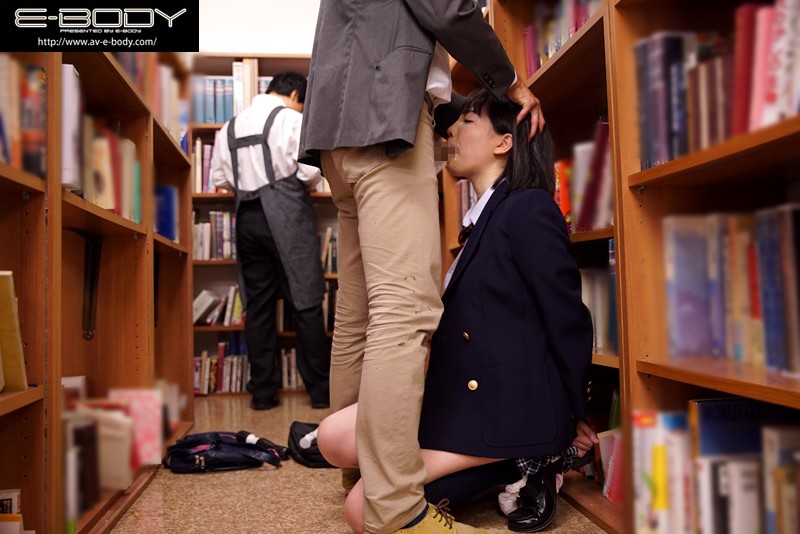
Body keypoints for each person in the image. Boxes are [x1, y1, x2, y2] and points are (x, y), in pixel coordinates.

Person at [299, 1, 544, 532]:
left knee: (361, 313)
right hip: (384, 120)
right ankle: (397, 510)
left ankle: (363, 478)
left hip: (336, 130)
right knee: (404, 312)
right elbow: (448, 9)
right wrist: (511, 82)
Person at [317, 89, 598, 534]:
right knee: (331, 438)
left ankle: (531, 456)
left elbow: (566, 316)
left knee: (364, 509)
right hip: (461, 393)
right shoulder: (478, 219)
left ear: (503, 142)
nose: (451, 133)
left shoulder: (527, 206)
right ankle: (510, 467)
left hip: (507, 406)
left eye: (467, 122)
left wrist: (576, 411)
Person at [211, 71, 330, 411]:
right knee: (305, 301)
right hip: (286, 212)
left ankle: (263, 394)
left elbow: (220, 178)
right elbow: (309, 172)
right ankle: (320, 392)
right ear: (294, 95)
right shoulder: (291, 120)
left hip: (247, 216)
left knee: (259, 306)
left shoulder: (228, 128)